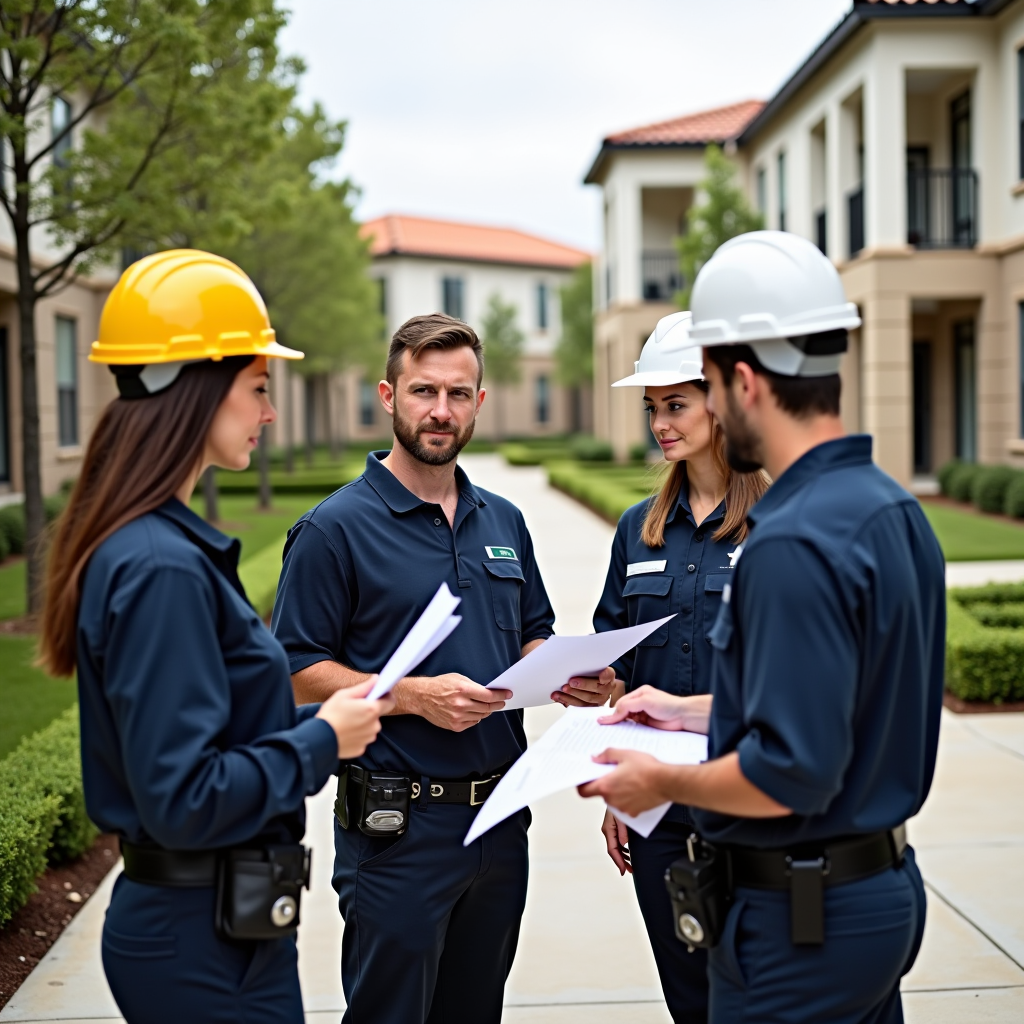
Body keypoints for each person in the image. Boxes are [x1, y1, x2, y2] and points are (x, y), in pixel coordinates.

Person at [579, 230, 945, 1024]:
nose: (688, 410)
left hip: (799, 917)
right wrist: (682, 712)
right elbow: (831, 709)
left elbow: (790, 770)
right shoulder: (895, 511)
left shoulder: (789, 540)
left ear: (740, 381)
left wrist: (658, 779)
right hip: (878, 893)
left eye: (700, 385)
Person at [38, 250, 393, 1024]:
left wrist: (324, 721)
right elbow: (184, 797)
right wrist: (320, 742)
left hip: (218, 927)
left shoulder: (154, 546)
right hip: (200, 944)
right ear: (195, 390)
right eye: (258, 389)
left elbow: (209, 738)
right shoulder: (160, 566)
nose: (269, 413)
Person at [271, 312, 614, 1024]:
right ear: (388, 396)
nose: (441, 410)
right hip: (397, 832)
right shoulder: (333, 530)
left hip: (499, 824)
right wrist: (411, 697)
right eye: (423, 391)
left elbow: (530, 638)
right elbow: (297, 670)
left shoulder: (504, 521)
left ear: (480, 403)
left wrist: (570, 676)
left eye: (459, 394)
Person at [592, 310, 768, 1024]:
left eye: (675, 404)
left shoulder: (778, 522)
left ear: (718, 401)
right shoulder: (637, 529)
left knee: (757, 993)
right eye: (651, 408)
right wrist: (613, 788)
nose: (660, 423)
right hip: (658, 809)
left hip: (750, 793)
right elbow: (619, 666)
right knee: (689, 997)